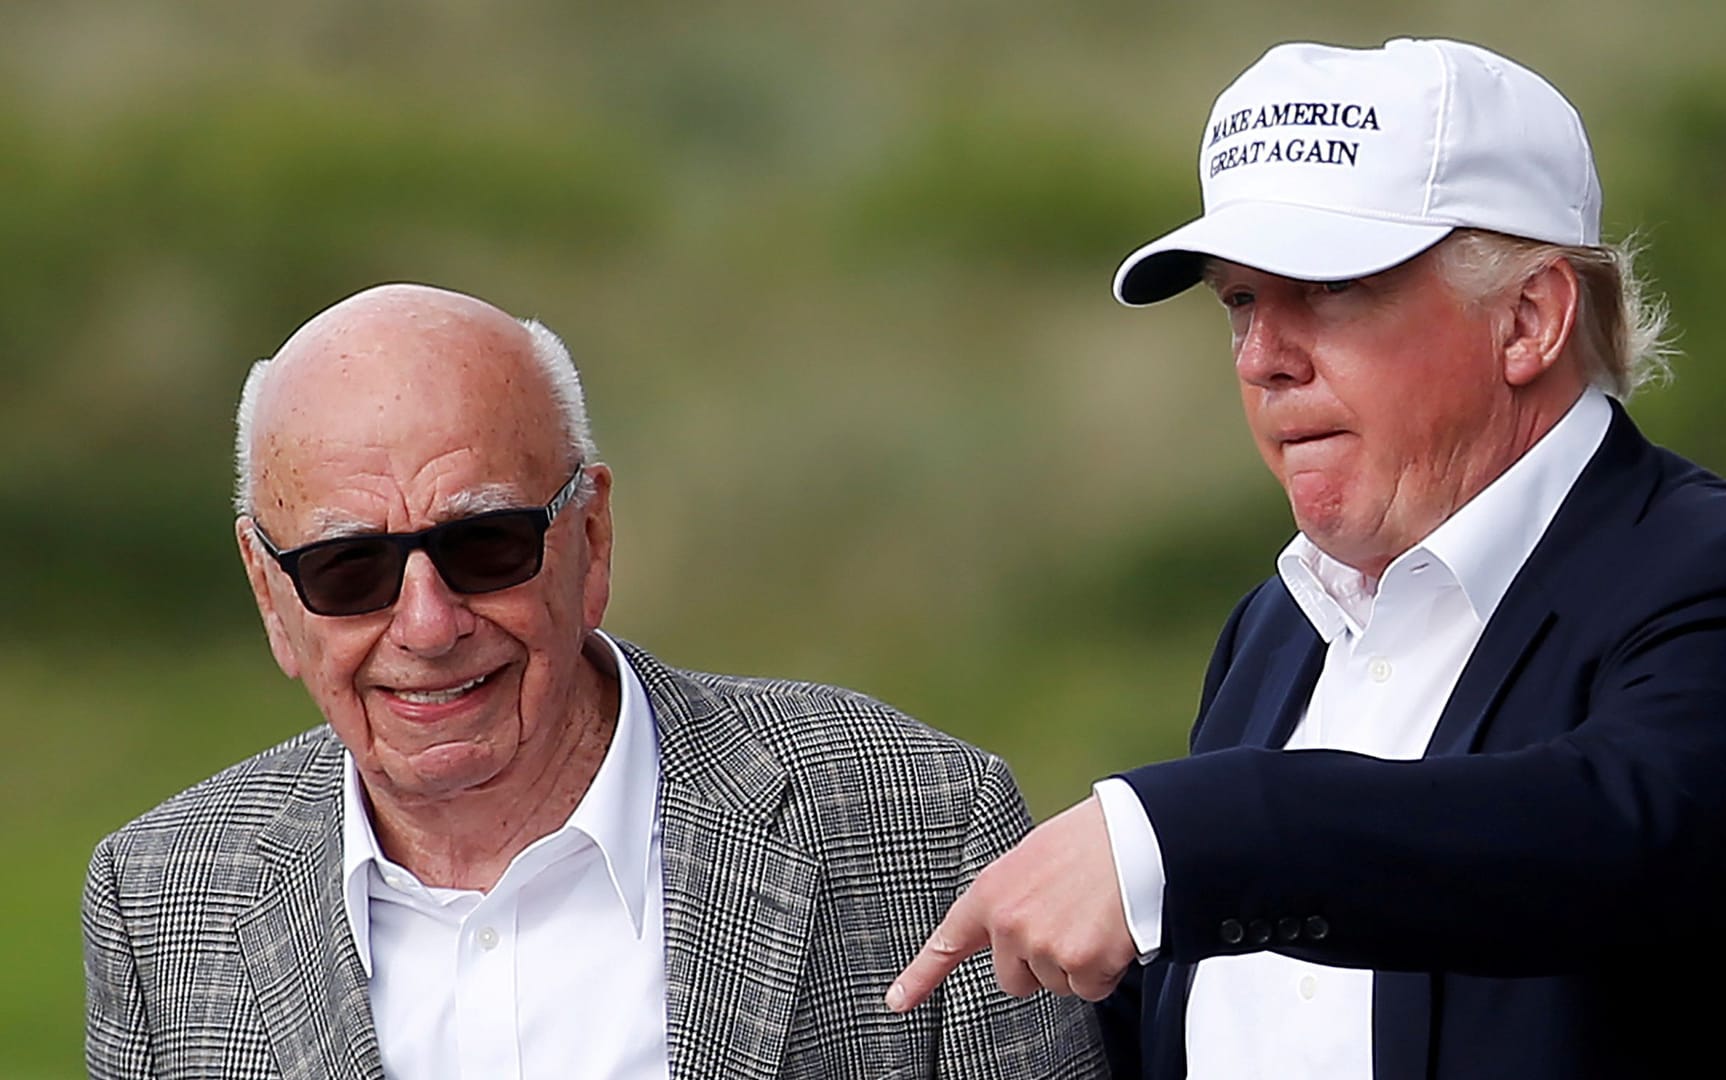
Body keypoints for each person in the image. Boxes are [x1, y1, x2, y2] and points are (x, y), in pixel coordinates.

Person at [889, 36, 1726, 1078]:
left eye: (1329, 290)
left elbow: (1618, 836)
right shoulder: (1275, 630)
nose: (1261, 357)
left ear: (1528, 318)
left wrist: (1177, 838)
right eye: (1240, 300)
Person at [83, 283, 1106, 1079]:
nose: (429, 625)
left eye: (485, 545)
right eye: (350, 571)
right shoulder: (161, 904)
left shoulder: (921, 827)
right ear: (270, 593)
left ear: (591, 537)